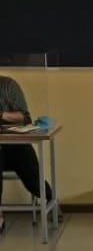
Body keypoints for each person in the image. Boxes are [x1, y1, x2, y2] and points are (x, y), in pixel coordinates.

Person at [0, 75, 53, 233]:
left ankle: (50, 199)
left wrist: (2, 115)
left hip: (15, 146)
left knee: (33, 180)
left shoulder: (8, 85)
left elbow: (24, 117)